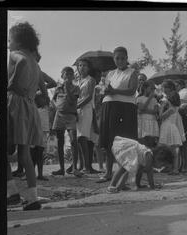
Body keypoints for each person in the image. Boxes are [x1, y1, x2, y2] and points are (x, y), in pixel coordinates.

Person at [7, 22, 48, 210]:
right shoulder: (36, 64)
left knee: (1, 151)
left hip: (14, 104)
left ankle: (12, 192)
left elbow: (21, 63)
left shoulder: (17, 55)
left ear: (18, 41)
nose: (8, 43)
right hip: (29, 107)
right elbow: (45, 93)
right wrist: (34, 96)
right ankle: (32, 198)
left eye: (10, 39)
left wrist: (12, 84)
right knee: (25, 155)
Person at [98, 46, 138, 183]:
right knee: (109, 141)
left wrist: (115, 91)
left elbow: (132, 90)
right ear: (114, 59)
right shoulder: (110, 74)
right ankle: (108, 172)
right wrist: (105, 91)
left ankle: (123, 174)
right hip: (109, 106)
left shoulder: (132, 72)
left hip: (125, 108)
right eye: (117, 58)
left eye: (122, 58)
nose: (120, 60)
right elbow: (106, 90)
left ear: (126, 59)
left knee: (124, 142)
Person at [66, 58, 100, 175]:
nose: (82, 67)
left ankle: (86, 166)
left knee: (82, 137)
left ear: (88, 68)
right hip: (76, 110)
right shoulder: (76, 81)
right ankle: (81, 165)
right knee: (77, 138)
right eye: (80, 65)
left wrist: (76, 106)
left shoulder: (91, 80)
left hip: (86, 109)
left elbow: (89, 97)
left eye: (84, 65)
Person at [106, 136, 173, 193]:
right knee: (124, 169)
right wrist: (153, 187)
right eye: (162, 165)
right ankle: (114, 186)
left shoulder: (146, 158)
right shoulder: (149, 157)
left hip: (129, 149)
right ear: (159, 158)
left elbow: (139, 172)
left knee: (126, 168)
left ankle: (119, 185)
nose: (161, 167)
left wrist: (138, 184)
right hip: (129, 149)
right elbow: (149, 175)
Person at [51, 67, 82, 177]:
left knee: (73, 140)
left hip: (71, 116)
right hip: (59, 116)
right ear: (62, 76)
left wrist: (67, 88)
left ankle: (75, 168)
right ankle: (61, 168)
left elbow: (72, 100)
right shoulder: (58, 88)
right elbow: (53, 99)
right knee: (60, 142)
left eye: (70, 74)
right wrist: (57, 108)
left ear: (73, 76)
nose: (68, 76)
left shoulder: (76, 88)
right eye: (66, 74)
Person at [159, 80, 185, 175]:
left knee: (173, 150)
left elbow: (161, 116)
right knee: (173, 149)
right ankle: (173, 167)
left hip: (167, 127)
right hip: (172, 127)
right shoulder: (175, 108)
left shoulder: (171, 108)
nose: (165, 90)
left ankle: (175, 168)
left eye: (166, 88)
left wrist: (161, 107)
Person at [137, 80, 159, 148]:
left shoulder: (154, 100)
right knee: (142, 143)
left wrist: (143, 110)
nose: (153, 90)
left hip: (152, 121)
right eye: (151, 88)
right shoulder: (139, 98)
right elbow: (141, 108)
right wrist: (149, 98)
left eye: (154, 89)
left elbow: (155, 111)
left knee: (151, 143)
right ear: (145, 88)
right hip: (142, 121)